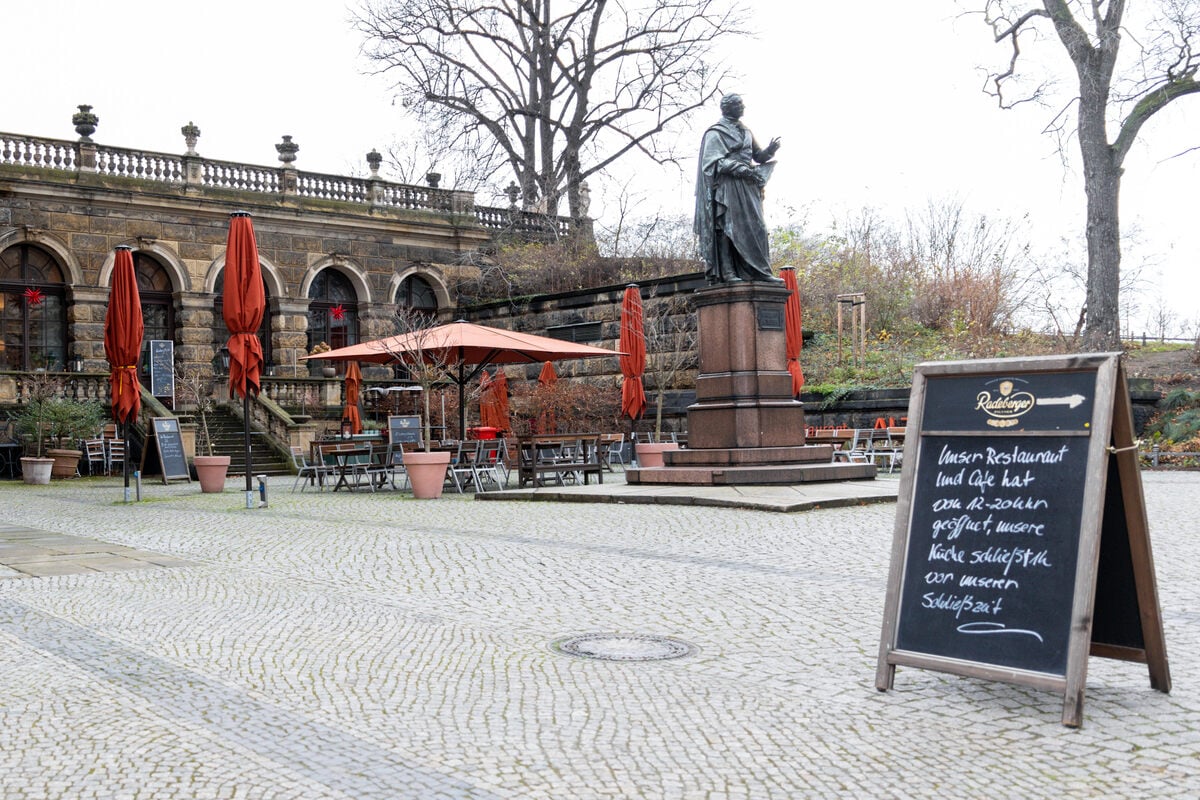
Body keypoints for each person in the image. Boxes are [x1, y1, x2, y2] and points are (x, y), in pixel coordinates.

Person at [694, 94, 782, 284]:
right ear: (728, 108)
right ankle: (728, 272)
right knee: (727, 227)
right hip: (728, 186)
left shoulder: (746, 131)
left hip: (749, 187)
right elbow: (713, 163)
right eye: (740, 104)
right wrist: (740, 168)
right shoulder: (715, 132)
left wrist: (770, 150)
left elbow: (757, 156)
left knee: (758, 228)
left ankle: (758, 271)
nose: (744, 107)